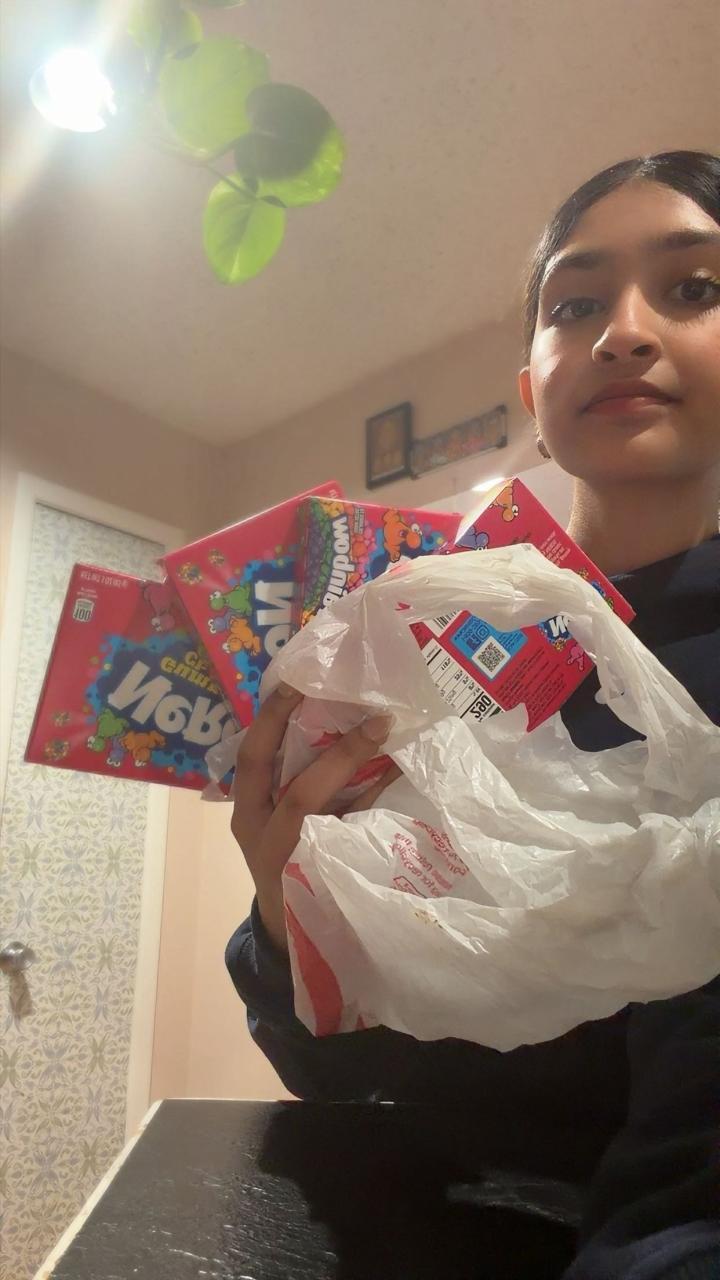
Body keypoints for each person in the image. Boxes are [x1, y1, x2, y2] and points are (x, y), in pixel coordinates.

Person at [226, 151, 720, 1280]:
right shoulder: (418, 653)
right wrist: (294, 915)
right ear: (534, 393)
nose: (623, 332)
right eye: (576, 304)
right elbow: (354, 1079)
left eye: (694, 287)